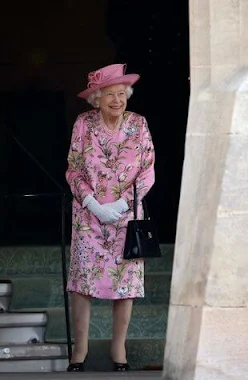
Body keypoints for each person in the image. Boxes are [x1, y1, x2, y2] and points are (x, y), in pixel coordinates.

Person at [64, 63, 155, 372]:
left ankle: (119, 350)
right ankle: (80, 350)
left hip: (127, 215)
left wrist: (124, 204)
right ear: (96, 99)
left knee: (125, 282)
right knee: (82, 281)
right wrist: (94, 203)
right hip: (89, 215)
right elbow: (74, 168)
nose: (117, 100)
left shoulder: (139, 124)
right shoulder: (83, 124)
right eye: (110, 95)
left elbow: (148, 170)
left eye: (121, 94)